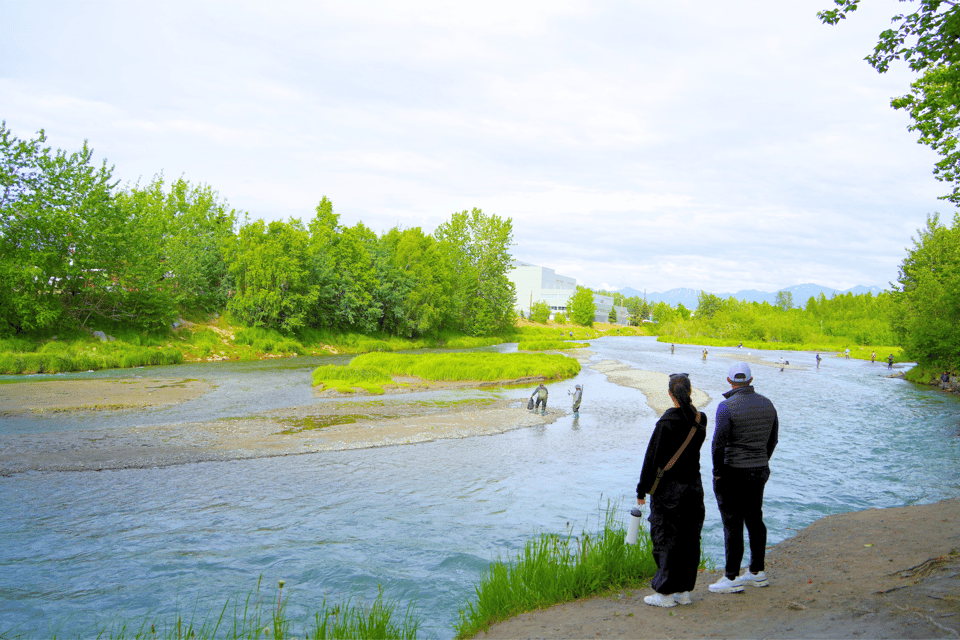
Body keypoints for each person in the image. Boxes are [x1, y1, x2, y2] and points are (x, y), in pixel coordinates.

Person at [636, 373, 707, 607]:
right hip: (694, 487)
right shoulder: (700, 419)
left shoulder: (666, 422)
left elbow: (651, 460)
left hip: (668, 491)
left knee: (665, 538)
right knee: (689, 537)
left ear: (669, 394)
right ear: (690, 391)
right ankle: (684, 591)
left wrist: (641, 490)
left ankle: (665, 594)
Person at [709, 362, 779, 594]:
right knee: (755, 519)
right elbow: (773, 439)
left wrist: (717, 473)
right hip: (758, 469)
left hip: (733, 471)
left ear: (729, 381)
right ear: (750, 380)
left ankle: (731, 576)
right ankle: (757, 571)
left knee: (732, 522)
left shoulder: (726, 407)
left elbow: (718, 444)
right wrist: (762, 459)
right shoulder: (768, 404)